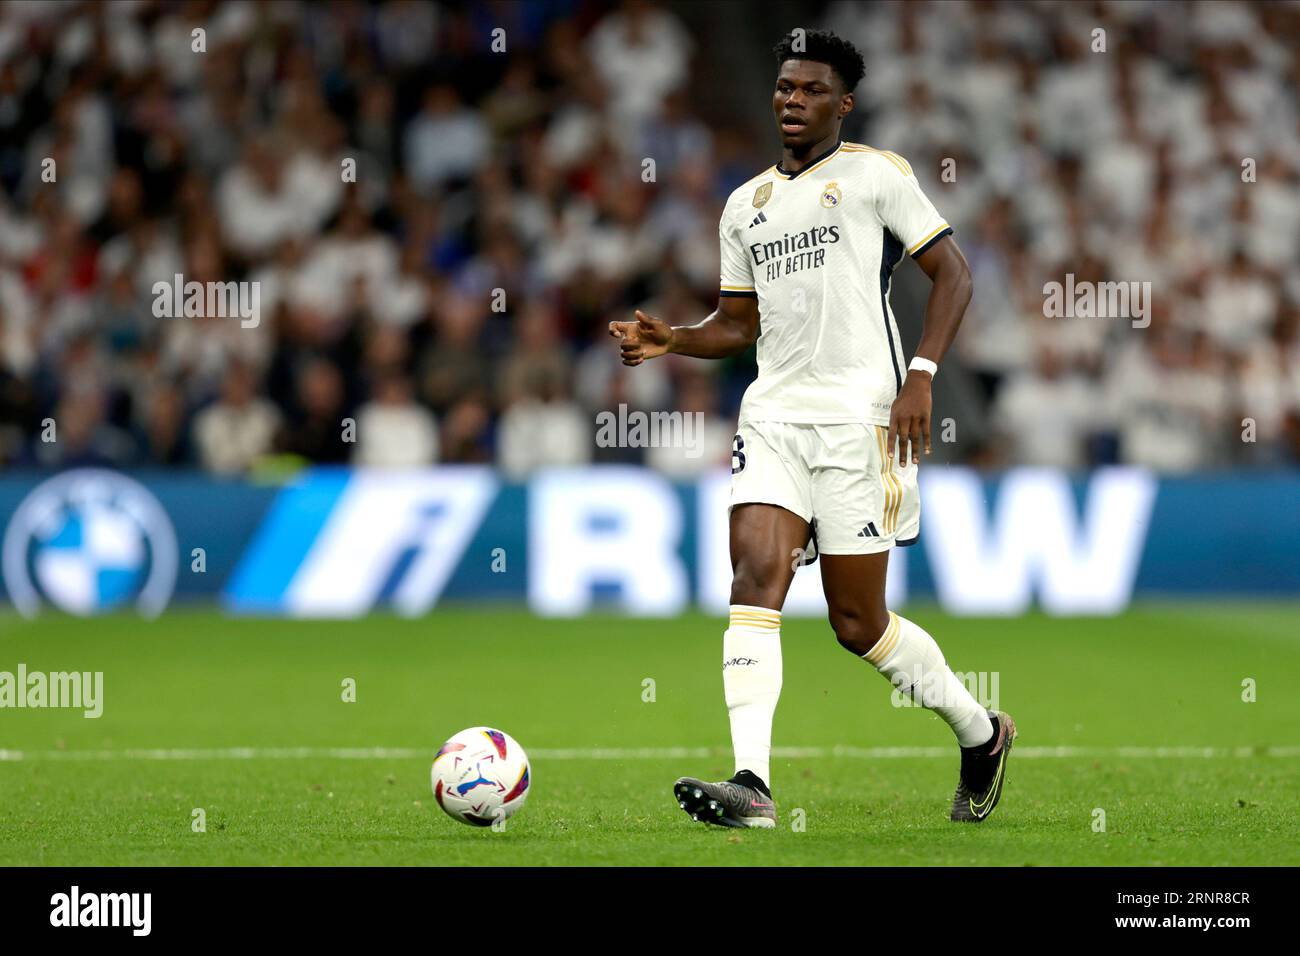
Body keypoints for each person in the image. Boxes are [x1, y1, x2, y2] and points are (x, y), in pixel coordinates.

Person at [610, 29, 1016, 828]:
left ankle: (979, 733)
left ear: (844, 103)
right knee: (754, 580)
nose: (791, 101)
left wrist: (922, 377)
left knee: (856, 624)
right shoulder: (745, 205)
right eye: (784, 88)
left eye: (810, 90)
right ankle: (752, 784)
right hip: (772, 418)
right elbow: (738, 322)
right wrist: (676, 340)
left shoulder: (876, 175)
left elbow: (954, 273)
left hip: (861, 419)